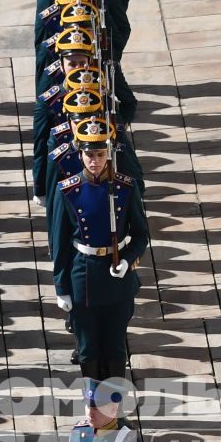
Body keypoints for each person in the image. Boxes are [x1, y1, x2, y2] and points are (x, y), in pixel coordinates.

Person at [49, 119, 148, 381]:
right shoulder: (67, 190)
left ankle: (115, 405)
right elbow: (58, 244)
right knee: (88, 348)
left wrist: (127, 260)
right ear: (80, 154)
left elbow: (140, 234)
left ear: (109, 154)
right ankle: (93, 407)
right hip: (84, 275)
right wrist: (61, 287)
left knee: (116, 347)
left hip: (117, 277)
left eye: (100, 154)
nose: (95, 161)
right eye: (89, 155)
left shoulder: (125, 188)